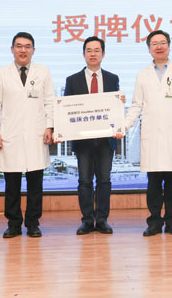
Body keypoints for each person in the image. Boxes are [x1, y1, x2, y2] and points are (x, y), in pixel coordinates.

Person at [125, 30, 172, 236]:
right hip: (152, 137)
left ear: (169, 46)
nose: (159, 47)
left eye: (162, 43)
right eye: (154, 44)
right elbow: (136, 105)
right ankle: (154, 222)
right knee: (153, 182)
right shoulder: (142, 75)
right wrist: (123, 126)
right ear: (149, 49)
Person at [0, 32, 54, 238]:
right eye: (19, 46)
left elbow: (50, 102)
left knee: (35, 185)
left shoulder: (43, 71)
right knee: (12, 185)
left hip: (36, 135)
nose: (23, 50)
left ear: (33, 50)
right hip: (10, 135)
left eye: (27, 46)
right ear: (12, 49)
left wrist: (50, 127)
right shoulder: (1, 73)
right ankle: (14, 224)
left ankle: (33, 223)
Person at [64, 36, 124, 235]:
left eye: (97, 50)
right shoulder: (72, 80)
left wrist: (120, 102)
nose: (93, 54)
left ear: (103, 54)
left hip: (106, 140)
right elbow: (67, 110)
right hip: (83, 140)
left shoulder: (112, 78)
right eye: (89, 50)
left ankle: (103, 219)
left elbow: (115, 108)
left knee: (105, 181)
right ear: (83, 54)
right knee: (85, 181)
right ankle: (88, 220)